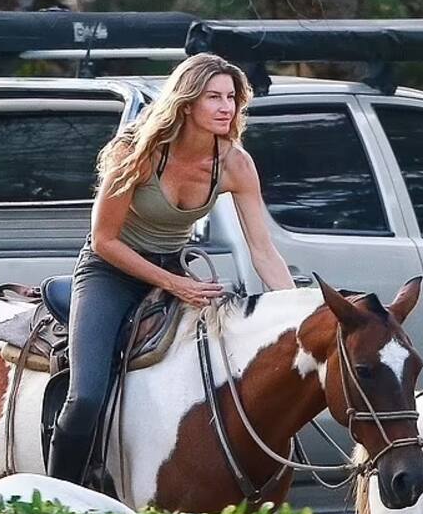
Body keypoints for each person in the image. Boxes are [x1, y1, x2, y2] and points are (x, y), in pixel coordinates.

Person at [47, 53, 295, 484]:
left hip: (175, 271)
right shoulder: (135, 152)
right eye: (212, 97)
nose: (225, 107)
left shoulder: (235, 163)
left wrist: (296, 309)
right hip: (110, 271)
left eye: (231, 98)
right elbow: (104, 240)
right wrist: (175, 284)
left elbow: (263, 250)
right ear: (186, 102)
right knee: (86, 398)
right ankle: (56, 495)